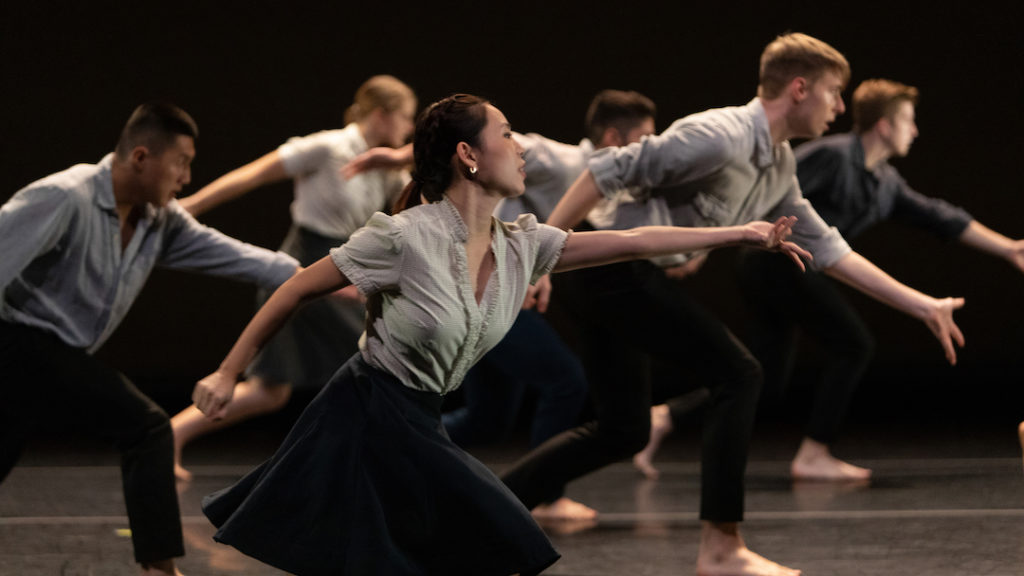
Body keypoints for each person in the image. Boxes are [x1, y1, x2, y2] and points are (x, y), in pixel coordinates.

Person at [191, 93, 810, 576]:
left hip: (420, 417)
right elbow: (296, 286)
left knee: (422, 556)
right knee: (505, 537)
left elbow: (631, 241)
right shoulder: (403, 236)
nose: (520, 147)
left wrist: (738, 234)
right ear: (468, 155)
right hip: (365, 412)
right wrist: (227, 371)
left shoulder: (524, 244)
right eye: (507, 134)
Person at [509, 33, 965, 576]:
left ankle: (475, 508)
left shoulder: (777, 165)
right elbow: (603, 170)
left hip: (623, 278)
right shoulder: (719, 135)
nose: (840, 108)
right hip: (611, 270)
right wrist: (546, 254)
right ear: (800, 89)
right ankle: (722, 551)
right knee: (741, 373)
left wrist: (922, 306)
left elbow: (831, 248)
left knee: (623, 430)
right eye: (834, 93)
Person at [0, 103, 300, 576]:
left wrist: (325, 279)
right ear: (141, 157)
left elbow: (241, 258)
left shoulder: (159, 222)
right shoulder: (65, 196)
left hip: (54, 356)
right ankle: (160, 569)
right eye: (180, 162)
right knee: (147, 428)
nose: (185, 178)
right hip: (18, 339)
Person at [735, 78, 1024, 481]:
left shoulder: (885, 183)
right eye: (908, 120)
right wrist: (711, 238)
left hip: (793, 270)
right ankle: (814, 454)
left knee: (764, 374)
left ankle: (667, 417)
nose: (916, 130)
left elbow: (941, 216)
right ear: (884, 126)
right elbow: (764, 188)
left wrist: (1009, 248)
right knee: (853, 344)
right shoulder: (833, 156)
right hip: (771, 264)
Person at [170, 75, 416, 481]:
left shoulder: (384, 165)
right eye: (406, 118)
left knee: (271, 392)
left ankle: (170, 434)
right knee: (379, 361)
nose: (408, 129)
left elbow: (414, 204)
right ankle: (373, 462)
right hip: (306, 267)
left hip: (344, 266)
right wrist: (190, 207)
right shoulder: (329, 147)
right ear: (382, 115)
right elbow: (253, 175)